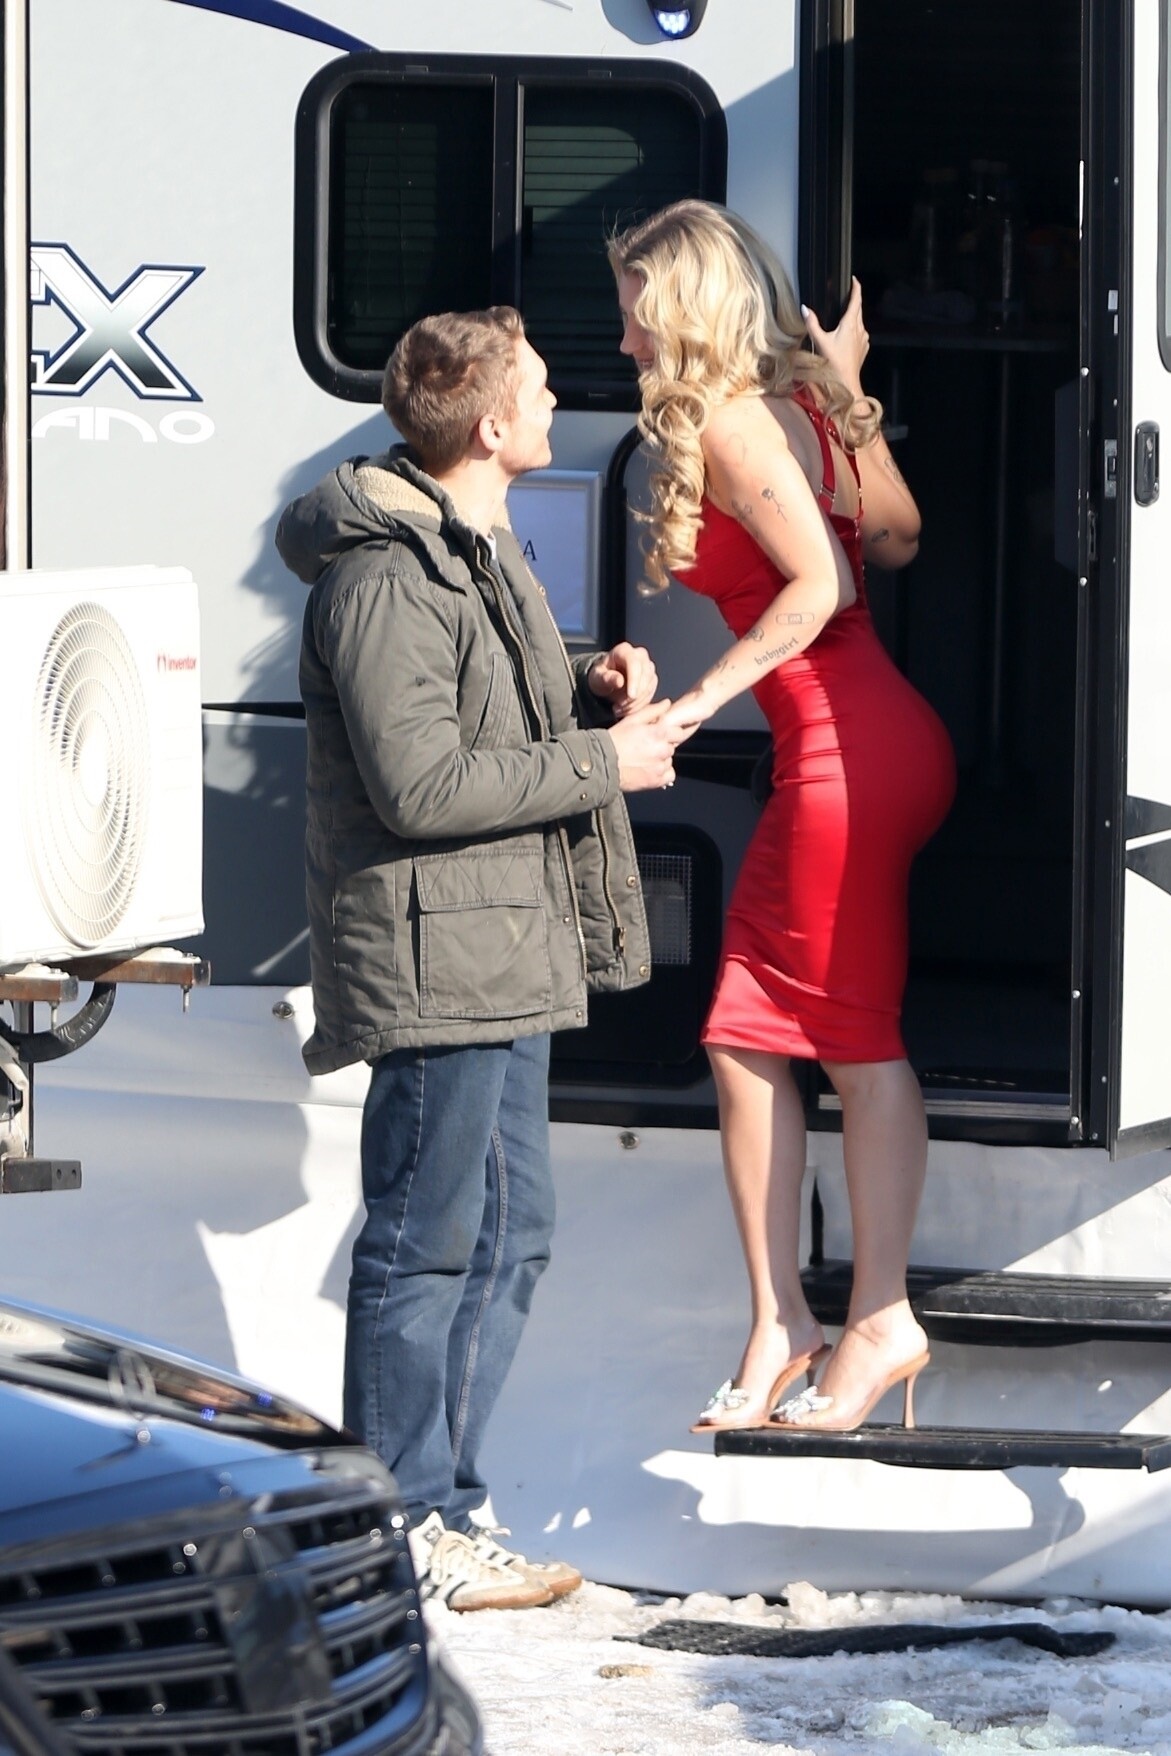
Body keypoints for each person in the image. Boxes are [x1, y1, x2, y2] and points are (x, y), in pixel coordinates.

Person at [275, 305, 679, 1608]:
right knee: (424, 1240)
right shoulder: (385, 577)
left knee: (509, 1232)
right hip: (439, 955)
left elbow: (480, 705)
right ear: (494, 424)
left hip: (501, 943)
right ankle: (395, 1521)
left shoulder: (476, 544)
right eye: (543, 387)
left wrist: (583, 686)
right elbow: (421, 786)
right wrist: (600, 762)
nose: (563, 402)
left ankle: (440, 1503)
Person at [609, 200, 956, 1434]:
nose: (625, 340)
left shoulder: (731, 420)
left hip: (845, 749)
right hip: (865, 740)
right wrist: (847, 395)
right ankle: (779, 1321)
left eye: (636, 313)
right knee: (745, 1028)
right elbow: (899, 537)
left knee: (850, 1043)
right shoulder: (797, 402)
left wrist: (697, 701)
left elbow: (823, 583)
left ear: (685, 310)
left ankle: (877, 1317)